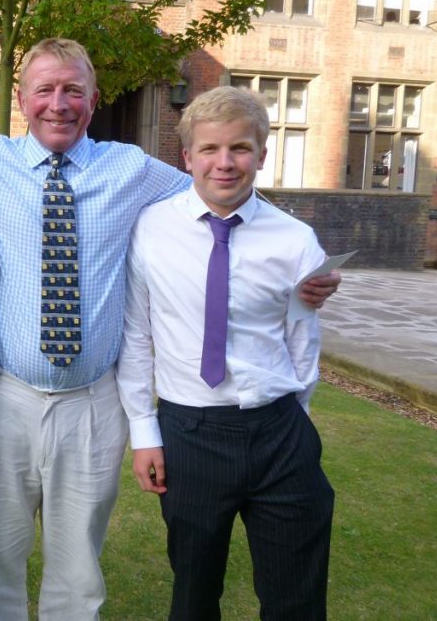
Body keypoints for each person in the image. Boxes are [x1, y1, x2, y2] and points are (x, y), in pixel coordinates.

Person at [0, 38, 339, 621]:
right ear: (20, 99)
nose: (59, 103)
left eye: (73, 90)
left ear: (93, 100)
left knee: (78, 566)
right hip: (6, 394)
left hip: (94, 401)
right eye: (45, 90)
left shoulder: (130, 170)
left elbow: (222, 185)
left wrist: (304, 260)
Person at [117, 85, 334, 621]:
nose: (225, 162)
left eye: (240, 148)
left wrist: (297, 424)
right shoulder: (151, 229)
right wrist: (144, 433)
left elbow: (302, 343)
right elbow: (137, 336)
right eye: (210, 150)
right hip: (191, 434)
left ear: (262, 154)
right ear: (187, 156)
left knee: (295, 597)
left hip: (280, 434)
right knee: (193, 592)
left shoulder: (296, 240)